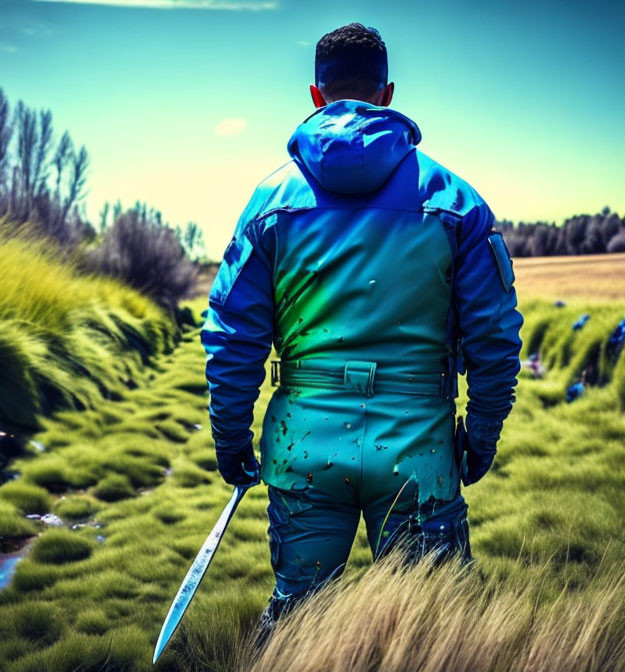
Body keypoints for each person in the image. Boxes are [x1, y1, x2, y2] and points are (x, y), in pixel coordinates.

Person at [201, 22, 523, 639]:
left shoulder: (269, 201)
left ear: (316, 95)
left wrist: (230, 436)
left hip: (302, 451)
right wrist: (480, 436)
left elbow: (232, 335)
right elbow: (494, 338)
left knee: (298, 622)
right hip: (419, 454)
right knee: (429, 635)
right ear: (389, 92)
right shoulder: (455, 200)